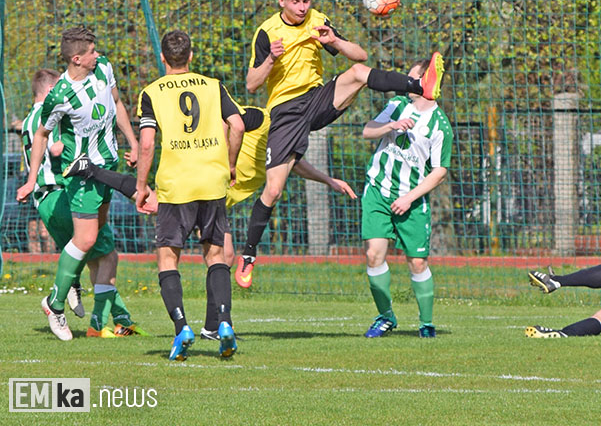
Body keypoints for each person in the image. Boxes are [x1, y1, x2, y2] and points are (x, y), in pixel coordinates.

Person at [64, 103, 357, 340]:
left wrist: (328, 180)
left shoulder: (284, 139)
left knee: (222, 255)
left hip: (217, 197)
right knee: (156, 205)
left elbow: (291, 164)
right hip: (198, 182)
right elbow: (224, 120)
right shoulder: (261, 117)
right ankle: (89, 169)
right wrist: (224, 161)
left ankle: (210, 328)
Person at [237, 0, 443, 287]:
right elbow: (252, 84)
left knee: (359, 71)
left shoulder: (318, 20)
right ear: (282, 1)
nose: (302, 7)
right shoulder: (267, 32)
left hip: (317, 99)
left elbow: (361, 56)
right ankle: (249, 255)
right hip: (285, 112)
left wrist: (334, 41)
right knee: (274, 189)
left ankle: (420, 85)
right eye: (295, 1)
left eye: (306, 1)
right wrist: (270, 61)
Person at [17, 28, 139, 341]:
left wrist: (133, 142)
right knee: (86, 240)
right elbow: (42, 135)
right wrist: (32, 180)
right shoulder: (59, 95)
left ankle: (99, 323)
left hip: (108, 166)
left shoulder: (104, 68)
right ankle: (55, 304)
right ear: (76, 58)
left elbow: (117, 104)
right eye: (91, 51)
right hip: (83, 173)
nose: (97, 54)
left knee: (101, 244)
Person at [135, 29, 245, 361]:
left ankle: (182, 327)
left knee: (168, 259)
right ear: (192, 57)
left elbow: (147, 143)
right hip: (212, 181)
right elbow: (237, 125)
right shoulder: (212, 86)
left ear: (163, 58)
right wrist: (230, 164)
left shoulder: (152, 92)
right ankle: (224, 323)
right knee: (215, 256)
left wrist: (141, 187)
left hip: (176, 185)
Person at [360, 59, 452, 339]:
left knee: (417, 263)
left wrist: (410, 197)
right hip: (377, 190)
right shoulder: (398, 105)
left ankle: (425, 322)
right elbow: (367, 130)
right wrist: (391, 126)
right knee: (374, 254)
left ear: (427, 81)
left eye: (411, 78)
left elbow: (439, 172)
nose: (405, 83)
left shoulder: (440, 126)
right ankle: (386, 316)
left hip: (411, 200)